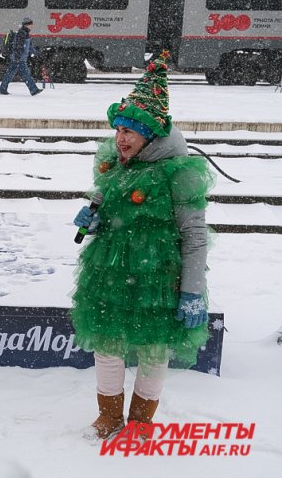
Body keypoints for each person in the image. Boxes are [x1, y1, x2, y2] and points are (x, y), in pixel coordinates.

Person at [70, 51, 215, 440]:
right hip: (112, 273)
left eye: (128, 133)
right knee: (107, 344)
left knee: (153, 350)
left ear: (150, 135)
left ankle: (140, 423)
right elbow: (109, 210)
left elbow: (196, 237)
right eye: (118, 131)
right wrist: (96, 221)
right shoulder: (116, 164)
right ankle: (109, 415)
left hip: (157, 278)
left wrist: (192, 292)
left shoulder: (178, 173)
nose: (119, 140)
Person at [0, 17, 42, 96]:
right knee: (25, 75)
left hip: (19, 58)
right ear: (26, 25)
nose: (32, 26)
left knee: (11, 74)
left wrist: (36, 53)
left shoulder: (25, 33)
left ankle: (2, 89)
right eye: (31, 24)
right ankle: (34, 90)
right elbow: (17, 46)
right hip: (18, 59)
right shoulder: (22, 33)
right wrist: (17, 57)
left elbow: (29, 46)